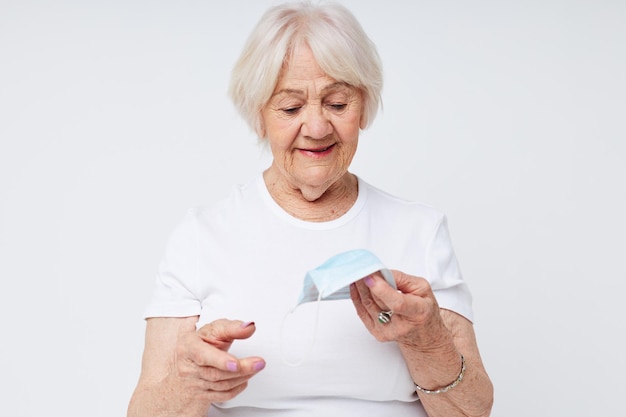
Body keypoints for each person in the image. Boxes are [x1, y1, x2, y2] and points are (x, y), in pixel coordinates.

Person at [127, 2, 494, 416]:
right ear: (259, 114)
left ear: (365, 107)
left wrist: (427, 341)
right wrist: (187, 383)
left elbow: (472, 412)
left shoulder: (419, 231)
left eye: (338, 104)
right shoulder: (203, 236)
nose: (317, 128)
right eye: (290, 107)